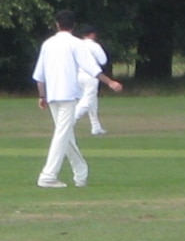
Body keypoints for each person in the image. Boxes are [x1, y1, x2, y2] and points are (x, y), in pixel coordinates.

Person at [32, 10, 90, 188]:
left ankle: (81, 173)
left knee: (65, 134)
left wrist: (42, 95)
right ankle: (48, 176)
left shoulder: (47, 44)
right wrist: (109, 81)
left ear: (57, 24)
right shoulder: (76, 43)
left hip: (52, 95)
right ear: (73, 26)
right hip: (68, 95)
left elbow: (39, 75)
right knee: (62, 134)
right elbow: (91, 67)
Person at [72, 29, 123, 135]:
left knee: (92, 101)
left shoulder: (77, 45)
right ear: (93, 35)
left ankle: (96, 127)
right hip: (91, 75)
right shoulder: (94, 46)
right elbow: (103, 60)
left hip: (77, 75)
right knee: (87, 101)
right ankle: (70, 122)